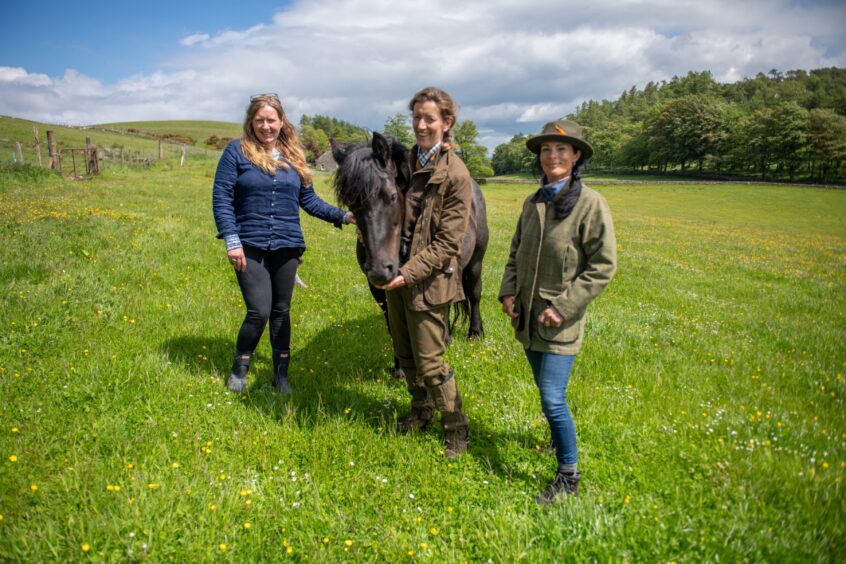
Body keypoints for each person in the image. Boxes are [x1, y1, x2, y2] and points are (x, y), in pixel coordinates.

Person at [499, 119, 617, 503]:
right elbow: (516, 253)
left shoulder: (590, 204)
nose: (552, 156)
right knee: (544, 390)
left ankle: (568, 475)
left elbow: (602, 266)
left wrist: (563, 308)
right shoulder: (532, 201)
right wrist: (508, 292)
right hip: (529, 318)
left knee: (552, 397)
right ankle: (555, 439)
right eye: (546, 150)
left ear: (576, 155)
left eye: (561, 149)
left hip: (559, 322)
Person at [212, 93, 353, 394]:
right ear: (251, 122)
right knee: (259, 311)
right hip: (249, 242)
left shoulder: (294, 156)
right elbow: (221, 198)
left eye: (271, 120)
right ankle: (240, 368)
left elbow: (309, 201)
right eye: (259, 120)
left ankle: (281, 375)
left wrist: (344, 216)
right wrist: (232, 240)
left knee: (281, 311)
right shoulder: (236, 152)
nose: (266, 126)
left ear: (281, 121)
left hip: (287, 245)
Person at [377, 87, 472, 458]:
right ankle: (420, 412)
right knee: (405, 356)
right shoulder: (402, 163)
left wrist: (408, 273)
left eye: (429, 118)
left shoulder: (456, 175)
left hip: (429, 283)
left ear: (446, 123)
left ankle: (457, 430)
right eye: (416, 117)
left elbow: (448, 243)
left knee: (431, 363)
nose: (420, 125)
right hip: (394, 276)